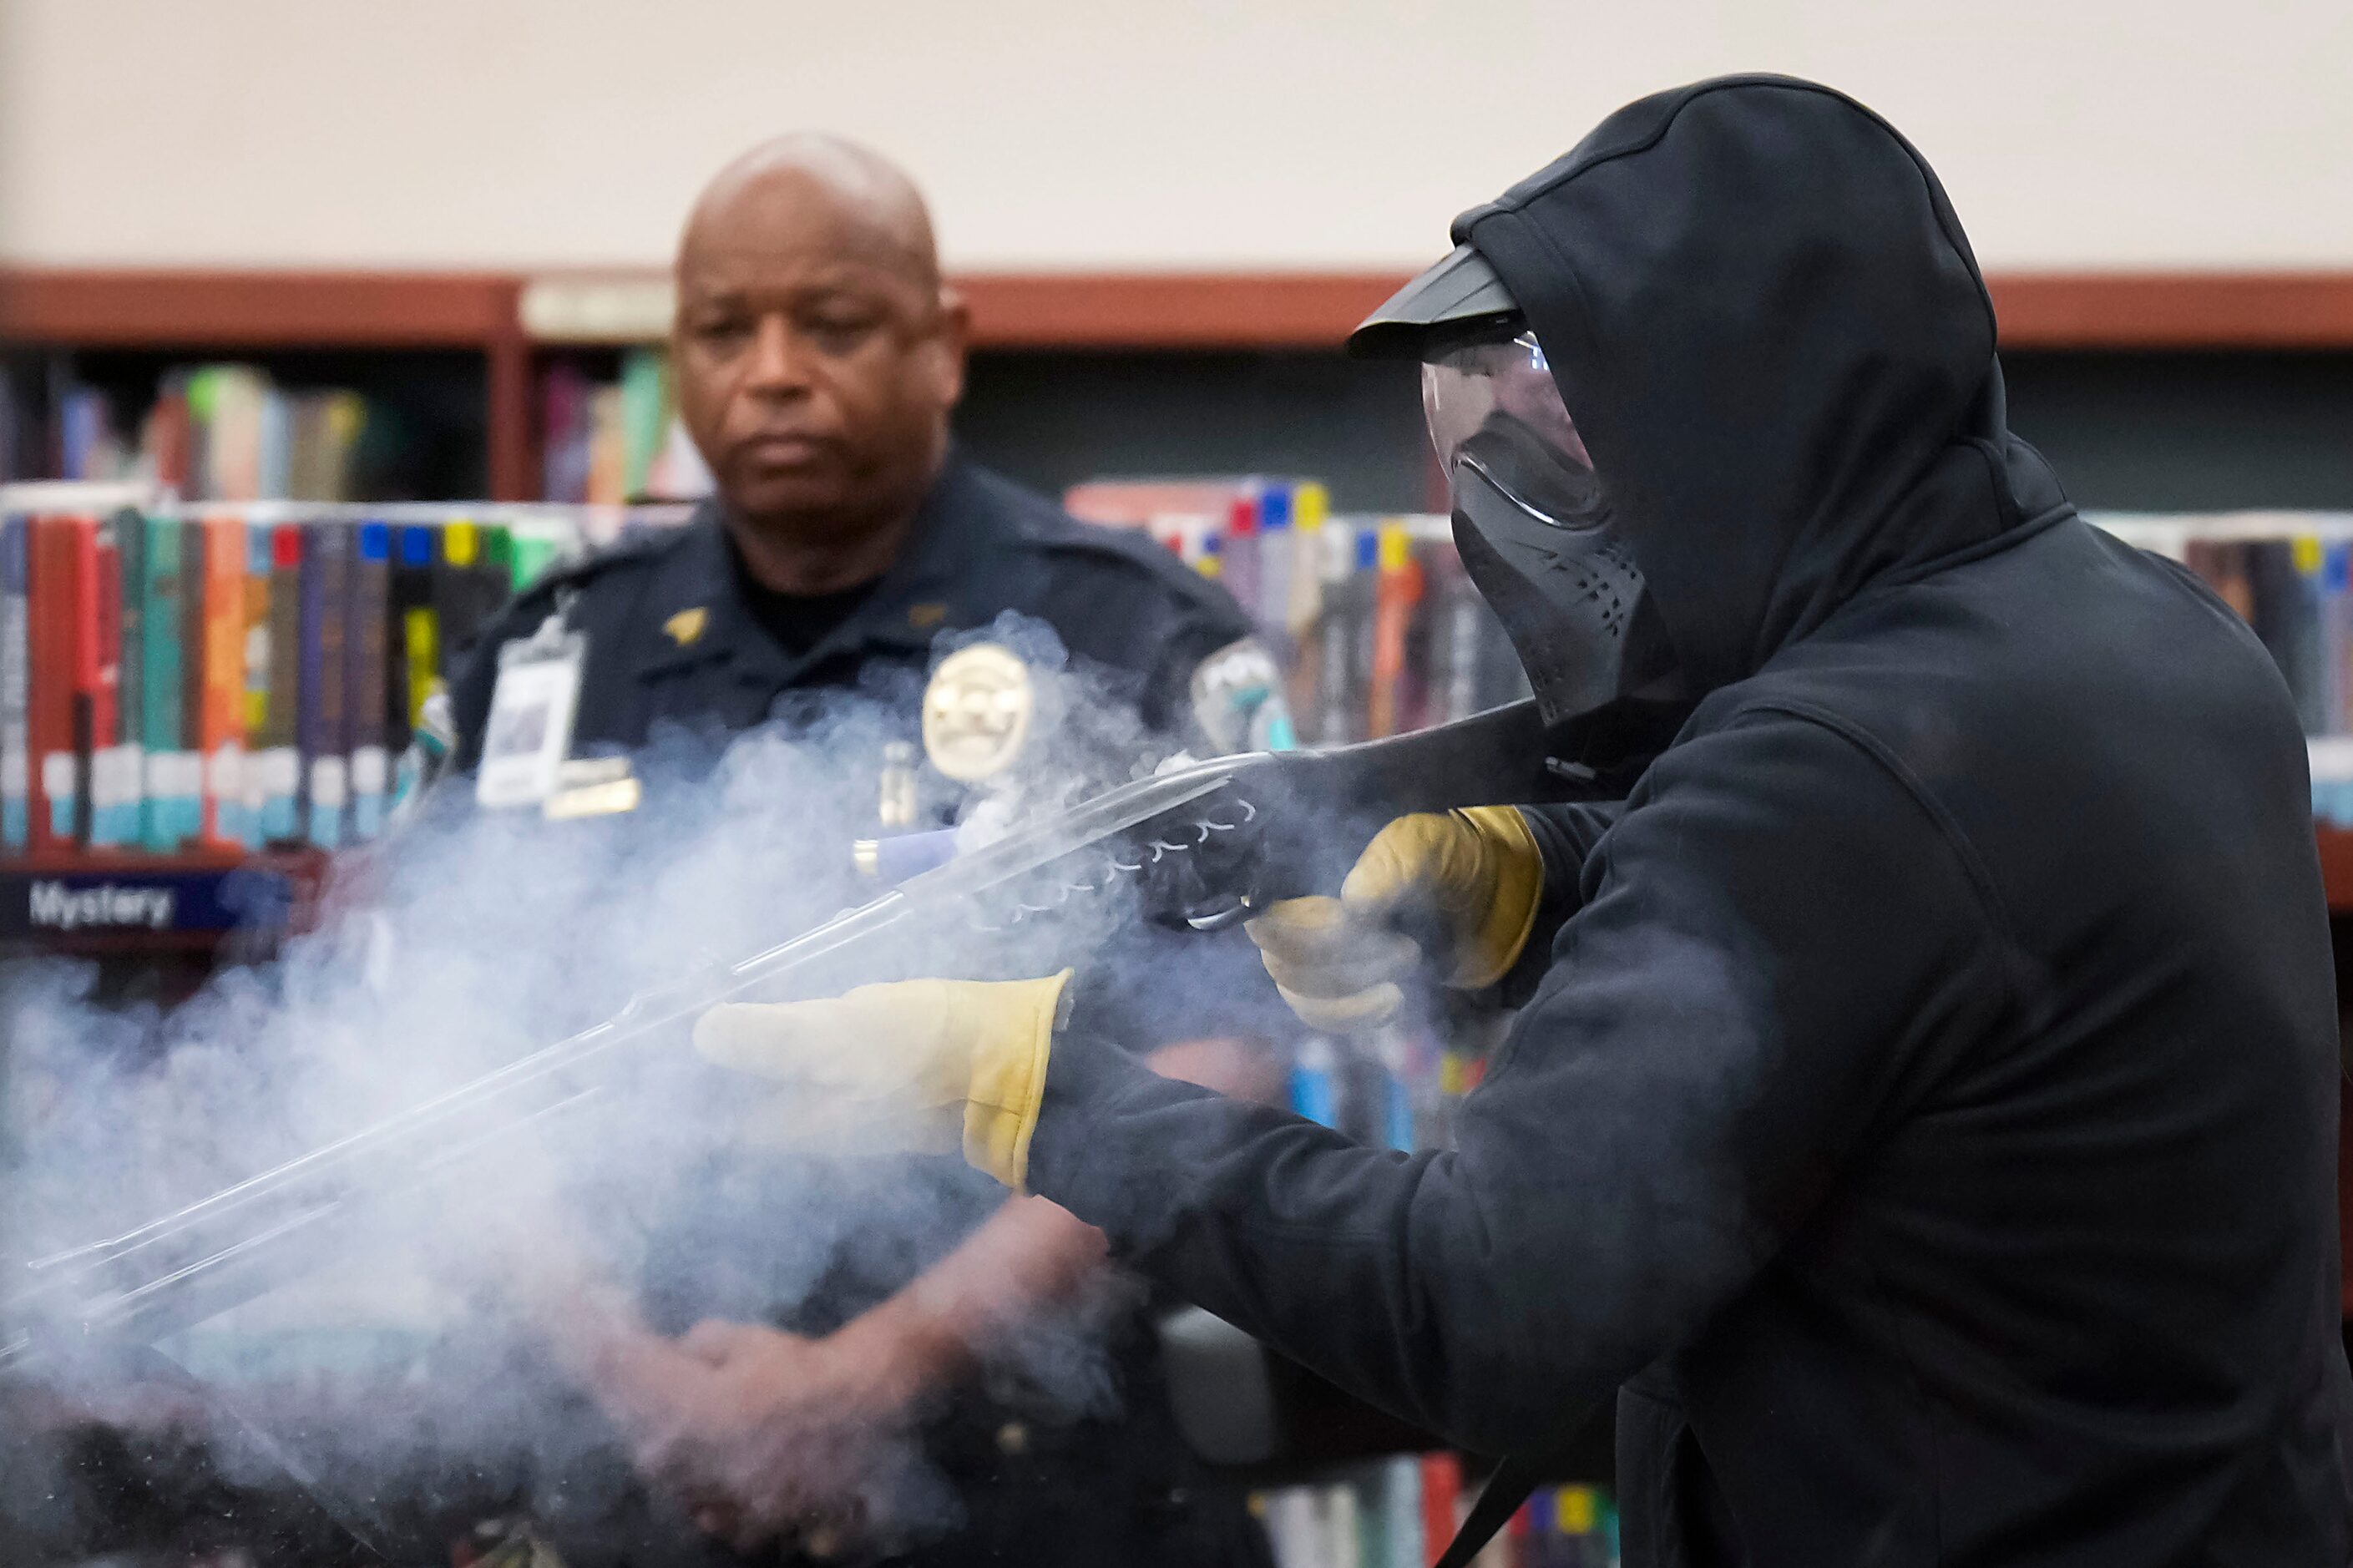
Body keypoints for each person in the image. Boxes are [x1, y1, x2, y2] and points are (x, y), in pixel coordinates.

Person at [667, 76, 2353, 1565]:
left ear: (1735, 412)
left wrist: (1037, 1092)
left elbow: (1478, 1307)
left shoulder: (1815, 770)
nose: (1519, 503)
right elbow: (1935, 951)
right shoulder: (2135, 633)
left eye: (1567, 424)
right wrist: (1543, 879)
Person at [445, 134, 1284, 1566]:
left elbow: (1222, 1048)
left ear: (943, 346)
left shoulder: (1131, 635)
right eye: (721, 329)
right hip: (635, 1470)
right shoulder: (556, 653)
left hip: (1029, 1474)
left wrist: (870, 1373)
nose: (770, 369)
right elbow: (440, 1059)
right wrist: (638, 1381)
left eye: (829, 324)